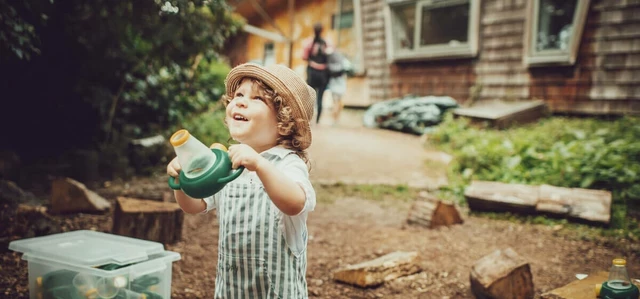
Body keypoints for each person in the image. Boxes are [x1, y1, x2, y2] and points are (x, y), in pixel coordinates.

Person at [167, 63, 317, 298]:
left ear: (283, 122)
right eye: (238, 95)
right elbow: (194, 206)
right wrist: (183, 180)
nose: (240, 102)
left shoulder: (287, 163)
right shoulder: (225, 161)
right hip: (231, 289)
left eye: (257, 99)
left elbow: (296, 203)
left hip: (275, 291)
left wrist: (260, 165)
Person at [301, 22, 331, 124]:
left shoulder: (309, 42)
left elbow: (304, 57)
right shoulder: (326, 43)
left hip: (312, 72)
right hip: (323, 73)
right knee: (320, 98)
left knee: (310, 96)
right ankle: (317, 121)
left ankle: (308, 119)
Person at [326, 49, 350, 126]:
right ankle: (337, 119)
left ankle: (335, 119)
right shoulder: (343, 62)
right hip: (341, 84)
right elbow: (349, 69)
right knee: (339, 102)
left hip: (333, 85)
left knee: (335, 102)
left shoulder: (330, 63)